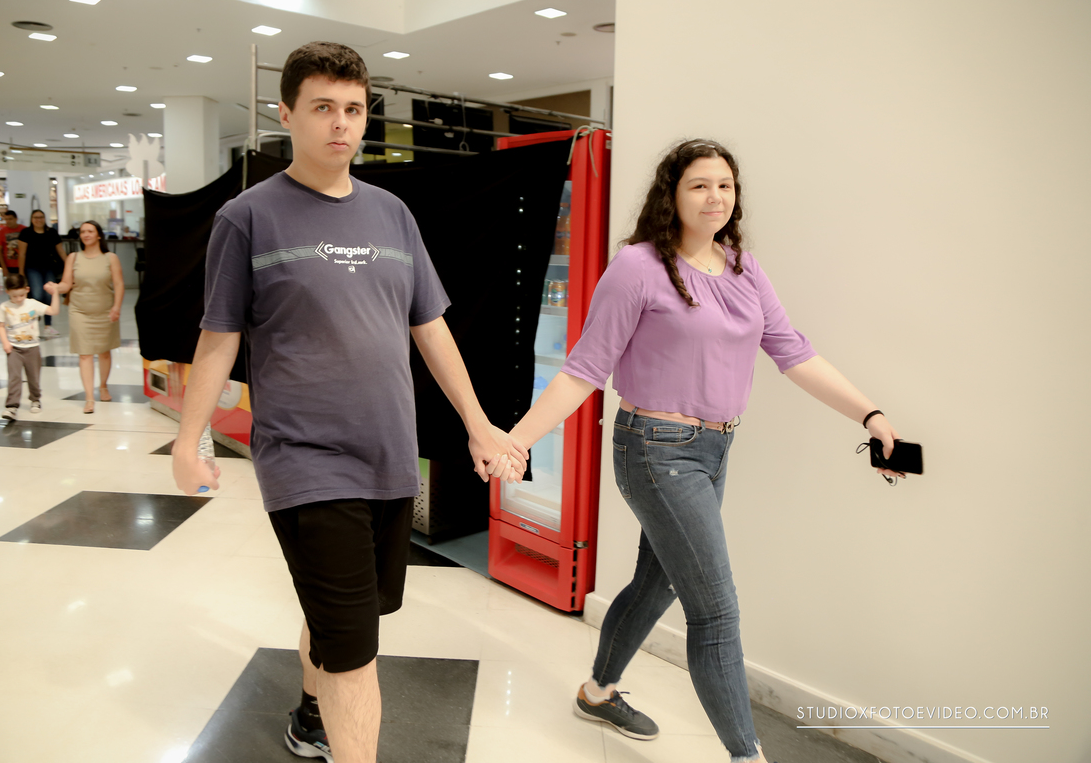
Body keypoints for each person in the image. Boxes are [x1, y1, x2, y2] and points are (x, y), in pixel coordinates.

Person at [170, 41, 525, 763]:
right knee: (357, 651)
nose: (340, 123)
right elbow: (219, 337)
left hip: (389, 454)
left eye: (354, 109)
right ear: (287, 114)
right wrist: (189, 438)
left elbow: (430, 326)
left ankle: (310, 715)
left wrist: (478, 423)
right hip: (304, 459)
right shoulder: (247, 217)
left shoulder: (393, 214)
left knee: (346, 619)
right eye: (323, 107)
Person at [507, 139, 906, 763]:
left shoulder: (743, 266)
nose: (714, 196)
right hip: (656, 450)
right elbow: (585, 368)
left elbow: (794, 352)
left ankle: (597, 692)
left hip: (715, 448)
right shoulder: (638, 267)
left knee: (657, 583)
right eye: (699, 184)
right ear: (671, 194)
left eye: (725, 185)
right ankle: (748, 756)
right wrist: (518, 441)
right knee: (716, 612)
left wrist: (870, 414)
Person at [46, 220, 123, 413]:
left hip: (105, 310)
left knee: (104, 352)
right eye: (82, 232)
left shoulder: (110, 258)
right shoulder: (73, 257)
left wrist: (116, 307)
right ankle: (89, 398)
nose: (86, 235)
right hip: (79, 311)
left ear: (98, 235)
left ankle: (103, 386)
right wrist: (56, 288)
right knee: (85, 353)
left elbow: (119, 284)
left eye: (90, 231)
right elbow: (66, 284)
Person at [0, 272, 60, 421]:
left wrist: (55, 294)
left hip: (32, 348)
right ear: (7, 292)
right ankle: (11, 406)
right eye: (14, 296)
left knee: (33, 377)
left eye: (21, 295)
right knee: (14, 377)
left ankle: (35, 399)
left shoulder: (33, 304)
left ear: (27, 289)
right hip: (14, 349)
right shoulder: (4, 307)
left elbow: (54, 311)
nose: (18, 299)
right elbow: (0, 326)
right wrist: (5, 342)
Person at [17, 209, 66, 338]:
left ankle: (48, 326)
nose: (38, 220)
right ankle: (32, 324)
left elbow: (60, 251)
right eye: (35, 217)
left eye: (41, 217)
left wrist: (69, 265)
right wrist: (21, 272)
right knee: (37, 294)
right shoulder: (26, 233)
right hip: (32, 268)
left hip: (49, 268)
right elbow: (22, 254)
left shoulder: (51, 233)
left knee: (49, 295)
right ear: (31, 219)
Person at [0, 209, 24, 277]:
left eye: (10, 219)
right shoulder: (2, 232)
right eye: (6, 219)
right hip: (9, 265)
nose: (8, 221)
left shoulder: (24, 230)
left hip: (24, 264)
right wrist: (3, 267)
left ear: (16, 219)